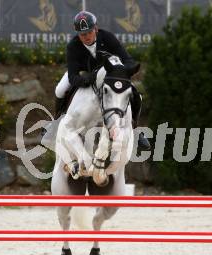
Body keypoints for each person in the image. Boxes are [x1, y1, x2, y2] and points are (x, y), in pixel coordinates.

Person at [54, 11, 151, 150]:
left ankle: (135, 129)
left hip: (109, 74)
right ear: (78, 34)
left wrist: (126, 70)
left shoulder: (108, 37)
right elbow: (72, 76)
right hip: (85, 75)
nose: (86, 37)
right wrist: (86, 79)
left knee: (137, 95)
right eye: (82, 34)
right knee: (59, 90)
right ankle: (55, 122)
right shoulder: (73, 46)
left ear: (96, 29)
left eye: (89, 32)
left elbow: (127, 59)